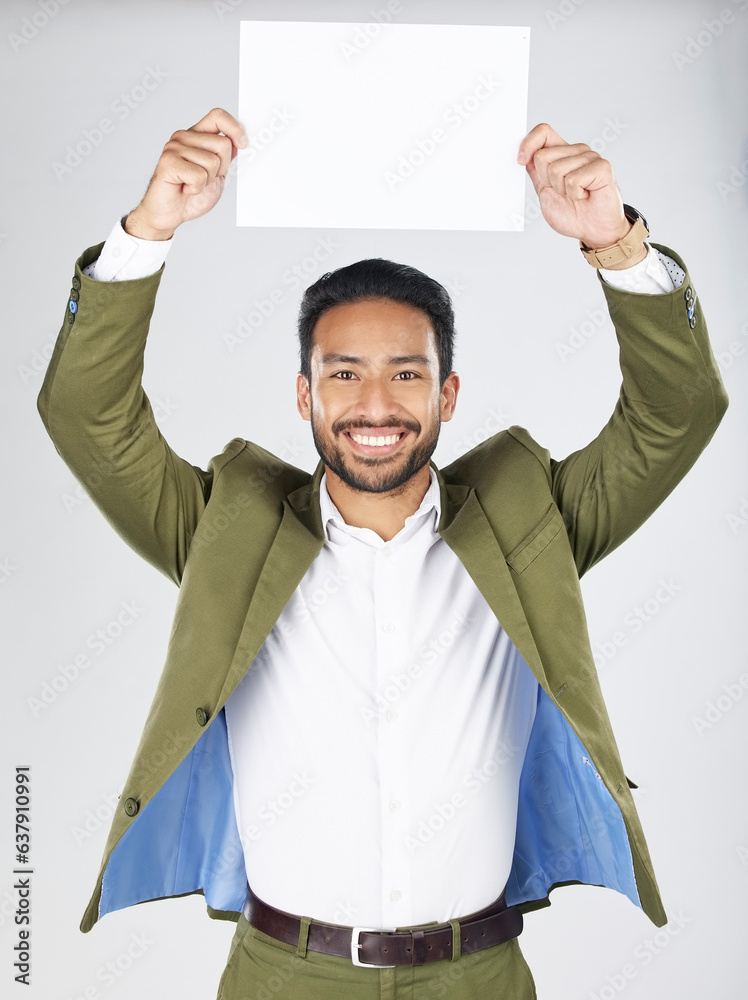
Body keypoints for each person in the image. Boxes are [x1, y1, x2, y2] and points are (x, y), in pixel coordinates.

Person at [38, 108, 727, 999]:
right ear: (303, 393)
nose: (375, 404)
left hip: (476, 977)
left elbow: (676, 416)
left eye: (406, 373)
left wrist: (616, 244)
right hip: (283, 976)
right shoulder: (224, 533)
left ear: (446, 391)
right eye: (342, 373)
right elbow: (88, 419)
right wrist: (149, 232)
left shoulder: (530, 527)